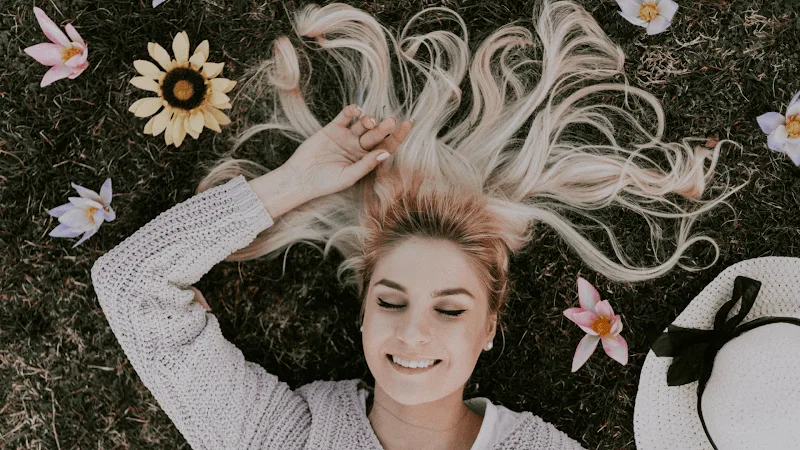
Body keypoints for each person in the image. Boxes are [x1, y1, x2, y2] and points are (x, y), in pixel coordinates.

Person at [91, 1, 744, 448]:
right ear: (364, 315)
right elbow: (132, 288)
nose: (413, 330)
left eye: (451, 309)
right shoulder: (290, 438)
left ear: (491, 326)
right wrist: (290, 184)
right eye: (392, 300)